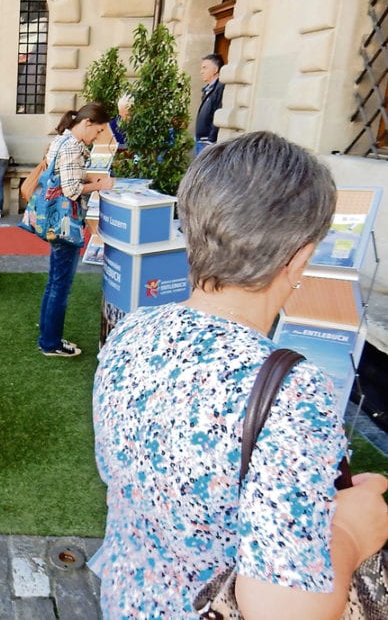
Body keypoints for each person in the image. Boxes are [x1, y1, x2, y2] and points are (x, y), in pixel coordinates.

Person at [90, 131, 388, 617]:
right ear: (299, 258)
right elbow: (286, 608)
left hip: (127, 600)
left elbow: (120, 477)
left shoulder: (132, 331)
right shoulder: (291, 392)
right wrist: (353, 533)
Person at [38, 103, 114, 358]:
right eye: (99, 130)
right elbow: (70, 190)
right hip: (65, 224)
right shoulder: (72, 146)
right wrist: (100, 185)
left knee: (54, 282)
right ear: (88, 123)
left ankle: (48, 336)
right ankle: (50, 343)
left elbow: (63, 176)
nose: (98, 136)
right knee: (60, 284)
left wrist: (87, 178)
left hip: (54, 220)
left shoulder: (62, 140)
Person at [195, 53, 225, 156]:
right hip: (201, 141)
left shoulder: (219, 88)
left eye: (205, 68)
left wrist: (211, 140)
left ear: (215, 69)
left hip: (207, 143)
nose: (201, 71)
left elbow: (218, 113)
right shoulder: (208, 89)